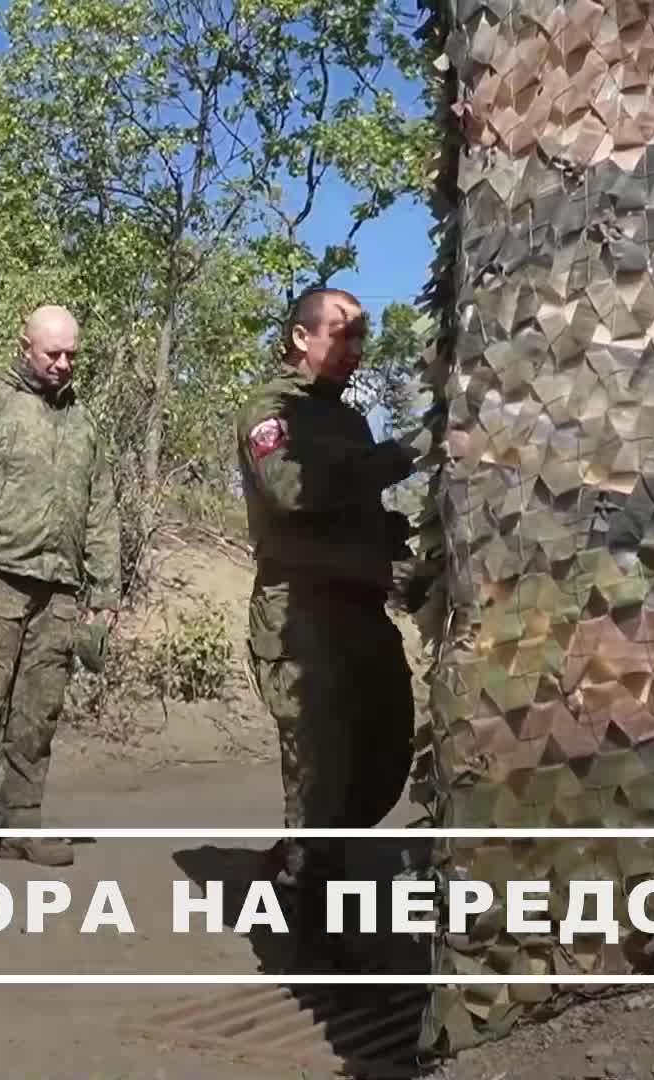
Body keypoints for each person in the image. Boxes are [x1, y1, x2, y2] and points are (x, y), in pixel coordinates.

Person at [235, 286, 417, 893]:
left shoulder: (349, 420)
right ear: (300, 337)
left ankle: (300, 859)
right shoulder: (271, 410)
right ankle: (309, 905)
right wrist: (398, 457)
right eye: (343, 335)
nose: (356, 349)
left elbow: (356, 511)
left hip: (361, 613)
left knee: (386, 757)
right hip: (301, 616)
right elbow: (290, 490)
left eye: (362, 337)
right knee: (321, 771)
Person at [0, 304, 120, 877]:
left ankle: (22, 821)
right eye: (52, 353)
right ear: (26, 347)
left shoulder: (83, 422)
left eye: (71, 355)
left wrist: (104, 592)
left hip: (59, 589)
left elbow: (100, 507)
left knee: (39, 711)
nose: (63, 364)